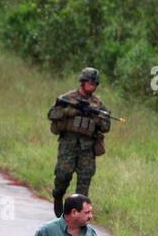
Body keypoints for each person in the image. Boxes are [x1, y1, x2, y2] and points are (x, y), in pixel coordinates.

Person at [47, 67, 112, 217]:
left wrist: (95, 117)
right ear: (82, 82)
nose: (92, 85)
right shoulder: (67, 98)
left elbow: (106, 126)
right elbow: (51, 114)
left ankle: (76, 216)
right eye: (90, 82)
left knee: (84, 184)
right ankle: (58, 197)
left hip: (87, 148)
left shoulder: (98, 104)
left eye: (95, 83)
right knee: (63, 176)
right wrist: (67, 112)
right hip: (68, 145)